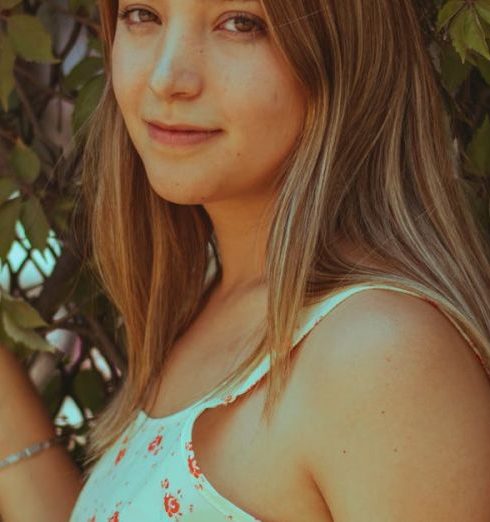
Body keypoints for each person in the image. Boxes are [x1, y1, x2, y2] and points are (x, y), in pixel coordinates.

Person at [1, 0, 490, 520]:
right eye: (143, 14)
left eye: (241, 24)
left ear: (344, 49)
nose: (167, 78)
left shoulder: (381, 357)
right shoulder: (212, 308)